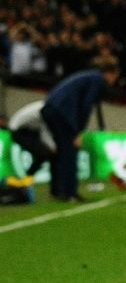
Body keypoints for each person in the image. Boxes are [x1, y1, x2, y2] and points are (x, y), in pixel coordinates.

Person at [41, 66, 112, 201]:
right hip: (62, 112)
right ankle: (70, 193)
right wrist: (78, 132)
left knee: (60, 152)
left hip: (50, 107)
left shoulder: (88, 76)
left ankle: (57, 191)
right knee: (69, 151)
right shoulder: (97, 80)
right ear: (110, 74)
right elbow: (86, 105)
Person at [6, 99, 55, 178]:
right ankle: (27, 180)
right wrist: (52, 147)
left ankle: (28, 178)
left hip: (29, 129)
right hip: (18, 131)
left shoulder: (48, 106)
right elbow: (44, 131)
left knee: (43, 155)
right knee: (43, 154)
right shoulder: (47, 109)